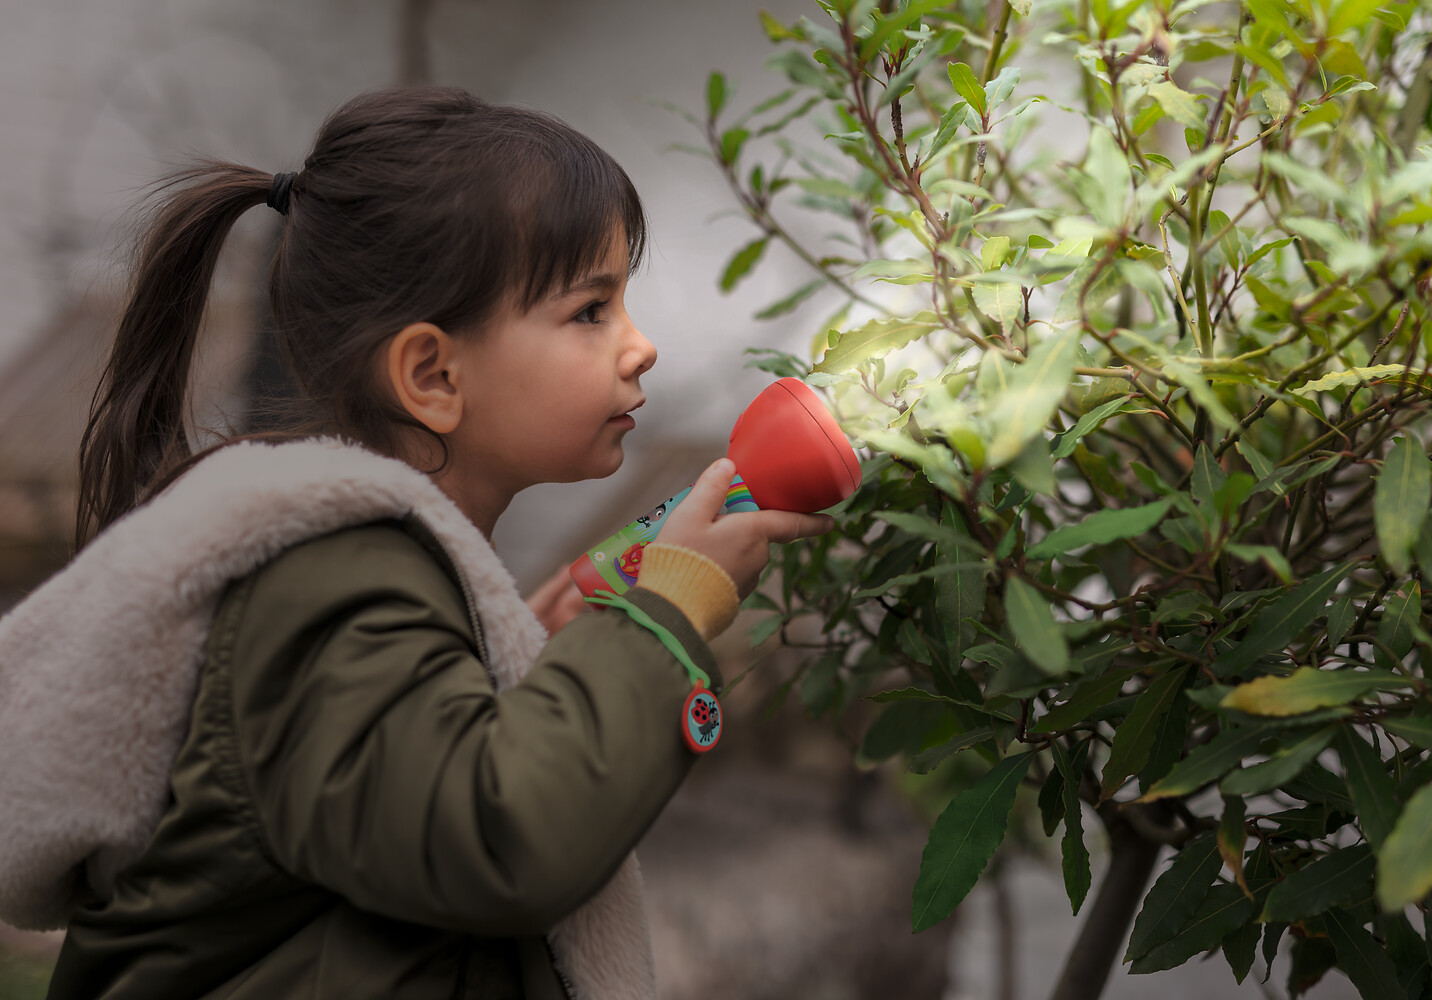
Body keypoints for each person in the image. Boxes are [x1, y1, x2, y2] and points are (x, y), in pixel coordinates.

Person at [0, 87, 834, 999]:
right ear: (433, 374)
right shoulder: (329, 579)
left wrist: (546, 672)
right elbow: (496, 839)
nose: (641, 348)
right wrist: (665, 618)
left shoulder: (366, 573)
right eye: (591, 311)